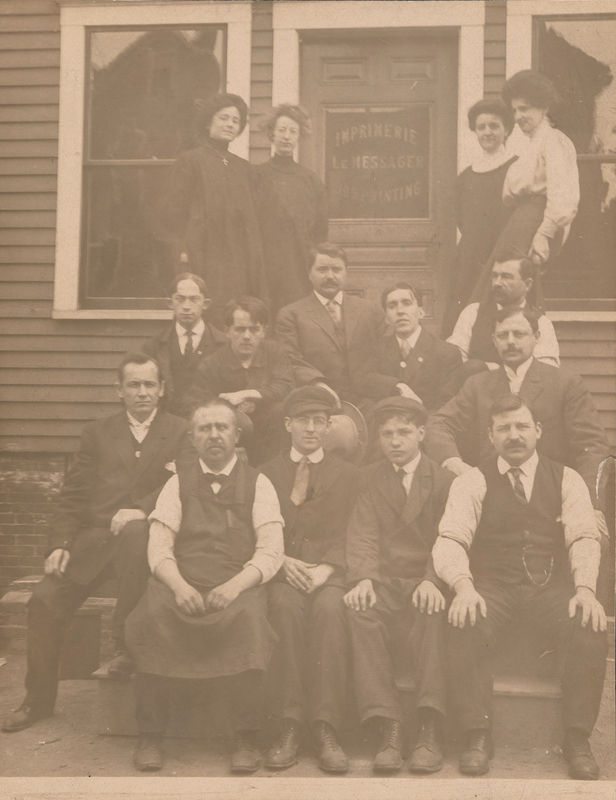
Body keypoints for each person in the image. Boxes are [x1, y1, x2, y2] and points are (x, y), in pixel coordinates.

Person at [2, 354, 194, 733]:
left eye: (149, 385)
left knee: (140, 534)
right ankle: (37, 700)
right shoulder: (97, 432)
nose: (142, 392)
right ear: (118, 391)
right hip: (92, 543)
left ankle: (124, 646)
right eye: (134, 385)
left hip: (144, 545)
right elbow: (72, 495)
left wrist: (141, 509)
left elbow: (186, 482)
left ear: (162, 389)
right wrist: (59, 543)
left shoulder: (180, 431)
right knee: (44, 600)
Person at [432, 395, 607, 779]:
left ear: (538, 431)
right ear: (491, 436)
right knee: (463, 620)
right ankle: (477, 734)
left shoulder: (566, 478)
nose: (514, 435)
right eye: (504, 428)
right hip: (492, 586)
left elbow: (582, 536)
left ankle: (576, 738)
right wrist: (463, 586)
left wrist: (585, 590)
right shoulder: (473, 480)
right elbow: (451, 538)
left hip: (547, 590)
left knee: (590, 626)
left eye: (522, 426)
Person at [125, 398, 284, 773]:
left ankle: (244, 738)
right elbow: (159, 547)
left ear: (236, 435)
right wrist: (179, 586)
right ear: (193, 438)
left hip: (236, 584)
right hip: (183, 581)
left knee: (249, 623)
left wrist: (234, 587)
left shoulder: (260, 483)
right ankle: (150, 734)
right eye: (204, 429)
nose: (214, 435)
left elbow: (271, 550)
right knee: (151, 615)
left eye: (222, 427)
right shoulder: (176, 483)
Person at [423, 307, 610, 541]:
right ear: (494, 340)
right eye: (503, 335)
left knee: (593, 539)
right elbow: (438, 424)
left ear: (537, 337)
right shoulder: (478, 384)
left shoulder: (565, 383)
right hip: (492, 498)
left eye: (519, 334)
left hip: (550, 498)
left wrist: (588, 503)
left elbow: (592, 447)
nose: (510, 342)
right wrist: (456, 465)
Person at [344, 397, 455, 774]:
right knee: (360, 611)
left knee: (432, 612)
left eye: (404, 432)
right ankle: (388, 726)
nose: (395, 441)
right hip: (386, 580)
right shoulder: (368, 477)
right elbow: (362, 533)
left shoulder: (443, 479)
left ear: (421, 434)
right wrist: (363, 579)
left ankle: (428, 728)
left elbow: (449, 536)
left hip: (425, 577)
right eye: (387, 433)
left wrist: (433, 579)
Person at [260, 386, 359, 773]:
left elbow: (354, 529)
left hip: (328, 573)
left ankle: (325, 727)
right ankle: (289, 724)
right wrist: (280, 560)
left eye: (320, 421)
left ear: (329, 426)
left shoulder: (349, 475)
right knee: (284, 608)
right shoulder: (266, 473)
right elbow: (258, 529)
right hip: (283, 570)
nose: (312, 429)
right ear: (288, 424)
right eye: (304, 420)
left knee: (332, 612)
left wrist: (328, 569)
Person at [469, 71, 580, 307]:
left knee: (512, 286)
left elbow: (563, 196)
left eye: (525, 109)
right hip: (523, 219)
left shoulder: (553, 140)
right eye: (515, 110)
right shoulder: (533, 143)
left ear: (543, 108)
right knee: (503, 285)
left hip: (536, 221)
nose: (518, 116)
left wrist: (544, 235)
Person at [167, 93, 266, 324]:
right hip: (202, 252)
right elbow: (174, 212)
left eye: (235, 120)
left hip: (239, 255)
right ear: (208, 122)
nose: (230, 124)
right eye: (223, 118)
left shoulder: (244, 169)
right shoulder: (190, 161)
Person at [275, 242, 384, 410]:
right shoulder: (291, 314)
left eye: (337, 270)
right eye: (322, 269)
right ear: (309, 274)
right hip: (317, 399)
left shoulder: (370, 310)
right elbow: (290, 360)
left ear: (346, 272)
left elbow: (386, 352)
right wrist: (319, 384)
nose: (330, 276)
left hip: (368, 399)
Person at [441, 99, 518, 336]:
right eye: (481, 127)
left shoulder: (517, 168)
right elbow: (462, 218)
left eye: (494, 126)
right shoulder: (466, 176)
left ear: (506, 129)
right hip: (470, 260)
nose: (487, 132)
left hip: (503, 256)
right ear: (474, 131)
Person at [186, 296, 294, 465]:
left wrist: (247, 395)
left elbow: (285, 385)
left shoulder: (274, 352)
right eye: (239, 329)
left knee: (281, 412)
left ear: (264, 331)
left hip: (269, 438)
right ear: (227, 331)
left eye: (254, 329)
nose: (246, 336)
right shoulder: (211, 364)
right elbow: (197, 404)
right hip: (228, 437)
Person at [255, 105, 328, 316]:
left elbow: (320, 230)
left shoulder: (310, 180)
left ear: (299, 136)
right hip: (267, 265)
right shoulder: (256, 176)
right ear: (272, 133)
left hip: (300, 265)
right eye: (282, 130)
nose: (287, 137)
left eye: (293, 131)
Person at [354, 282, 461, 411]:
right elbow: (361, 379)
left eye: (407, 303)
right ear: (387, 318)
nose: (400, 311)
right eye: (392, 306)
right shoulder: (376, 348)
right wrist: (397, 386)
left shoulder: (446, 352)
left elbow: (446, 404)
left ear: (421, 312)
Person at [447, 257, 560, 371]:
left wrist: (495, 371)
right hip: (478, 387)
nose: (497, 283)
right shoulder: (473, 312)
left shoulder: (541, 322)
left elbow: (546, 371)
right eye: (495, 276)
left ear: (527, 285)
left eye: (506, 277)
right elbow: (453, 359)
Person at [141, 273, 226, 417]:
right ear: (170, 303)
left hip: (211, 420)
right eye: (180, 299)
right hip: (167, 421)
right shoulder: (153, 346)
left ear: (205, 304)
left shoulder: (223, 344)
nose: (186, 306)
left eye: (194, 299)